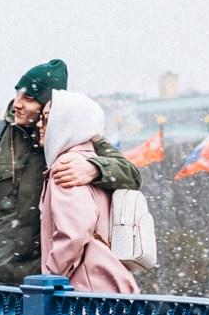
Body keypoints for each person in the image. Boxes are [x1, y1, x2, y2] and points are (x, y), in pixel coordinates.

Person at [0, 59, 140, 303]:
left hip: (61, 287)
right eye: (18, 94)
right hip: (1, 287)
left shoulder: (75, 141)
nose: (17, 104)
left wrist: (95, 168)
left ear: (50, 105)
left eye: (29, 99)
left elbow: (131, 174)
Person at [36, 90, 139, 295]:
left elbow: (73, 234)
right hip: (104, 284)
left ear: (65, 124)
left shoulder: (67, 166)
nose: (39, 125)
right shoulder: (90, 161)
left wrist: (51, 276)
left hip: (83, 290)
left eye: (47, 120)